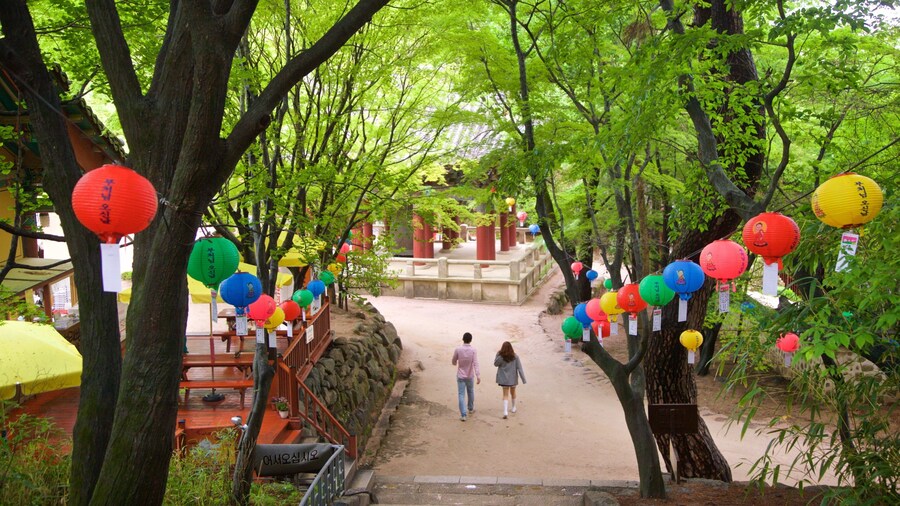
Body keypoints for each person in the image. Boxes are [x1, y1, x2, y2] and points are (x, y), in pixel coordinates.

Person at [451, 332, 480, 421]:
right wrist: (478, 375)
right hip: (470, 375)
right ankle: (470, 409)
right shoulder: (473, 350)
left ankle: (463, 414)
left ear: (463, 339)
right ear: (470, 340)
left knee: (461, 394)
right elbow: (475, 363)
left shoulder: (458, 349)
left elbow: (453, 361)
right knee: (470, 392)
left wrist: (455, 363)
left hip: (460, 375)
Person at [494, 341, 526, 419]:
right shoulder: (515, 356)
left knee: (505, 395)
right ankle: (514, 407)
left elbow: (495, 364)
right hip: (513, 378)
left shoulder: (500, 356)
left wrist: (499, 355)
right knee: (513, 392)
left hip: (504, 379)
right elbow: (520, 368)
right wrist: (523, 379)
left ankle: (505, 411)